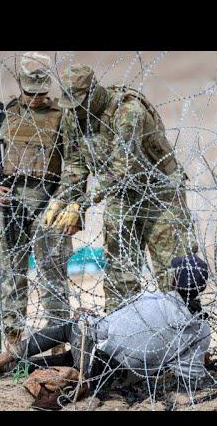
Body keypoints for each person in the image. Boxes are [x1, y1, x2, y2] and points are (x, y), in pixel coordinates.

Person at [42, 63, 199, 313]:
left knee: (173, 273)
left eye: (81, 102)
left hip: (159, 193)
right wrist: (63, 200)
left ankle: (184, 339)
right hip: (121, 194)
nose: (77, 110)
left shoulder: (127, 111)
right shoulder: (73, 115)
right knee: (119, 275)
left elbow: (123, 165)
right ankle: (122, 335)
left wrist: (82, 202)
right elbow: (75, 164)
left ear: (94, 91)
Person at [0, 254, 212, 391]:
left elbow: (106, 328)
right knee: (66, 358)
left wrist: (87, 318)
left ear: (173, 281)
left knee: (71, 328)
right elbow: (191, 377)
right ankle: (12, 370)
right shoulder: (198, 330)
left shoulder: (153, 298)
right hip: (109, 376)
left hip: (92, 360)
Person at [0, 52, 71, 353]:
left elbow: (76, 163)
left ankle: (57, 341)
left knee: (53, 274)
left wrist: (65, 199)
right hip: (12, 203)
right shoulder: (2, 115)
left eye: (41, 93)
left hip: (50, 202)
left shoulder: (62, 116)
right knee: (12, 276)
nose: (35, 100)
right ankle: (13, 343)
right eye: (31, 93)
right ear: (21, 86)